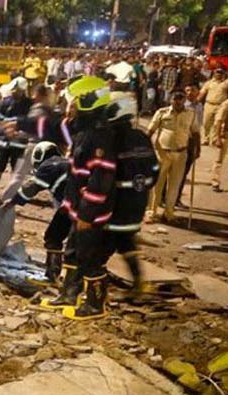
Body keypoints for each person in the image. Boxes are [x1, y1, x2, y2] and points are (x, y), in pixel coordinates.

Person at [59, 78, 158, 320]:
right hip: (137, 205)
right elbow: (155, 171)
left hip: (115, 209)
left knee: (93, 254)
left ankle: (93, 299)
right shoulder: (142, 137)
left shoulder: (110, 139)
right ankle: (137, 285)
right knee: (127, 245)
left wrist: (92, 205)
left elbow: (103, 176)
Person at [6, 141, 69, 283]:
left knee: (53, 237)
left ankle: (55, 276)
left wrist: (11, 202)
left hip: (73, 206)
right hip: (90, 206)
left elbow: (32, 187)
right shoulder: (65, 162)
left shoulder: (49, 166)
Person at [147, 90, 199, 222]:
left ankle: (169, 213)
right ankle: (151, 212)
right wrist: (145, 147)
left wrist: (197, 149)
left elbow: (195, 133)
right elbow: (150, 130)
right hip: (162, 153)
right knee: (157, 183)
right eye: (175, 98)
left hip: (181, 153)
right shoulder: (162, 112)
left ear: (184, 99)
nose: (178, 100)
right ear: (171, 99)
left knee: (174, 185)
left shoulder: (191, 114)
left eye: (180, 98)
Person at [0, 77, 32, 202]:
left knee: (15, 168)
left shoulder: (29, 104)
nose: (14, 92)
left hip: (19, 143)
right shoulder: (5, 103)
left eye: (17, 90)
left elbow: (32, 123)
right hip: (4, 141)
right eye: (13, 90)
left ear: (23, 90)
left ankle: (12, 193)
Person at [176, 85, 203, 201]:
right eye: (187, 90)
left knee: (184, 172)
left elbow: (197, 129)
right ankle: (166, 198)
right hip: (181, 141)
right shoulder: (182, 106)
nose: (190, 93)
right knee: (175, 172)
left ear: (198, 92)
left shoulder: (199, 106)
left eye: (193, 90)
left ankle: (177, 198)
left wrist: (198, 146)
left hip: (192, 141)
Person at [212, 85, 228, 192]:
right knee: (219, 160)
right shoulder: (227, 104)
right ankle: (215, 182)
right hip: (226, 134)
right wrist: (217, 137)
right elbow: (219, 121)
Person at [199, 68, 228, 146]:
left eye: (220, 73)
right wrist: (196, 101)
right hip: (209, 105)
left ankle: (215, 140)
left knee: (217, 123)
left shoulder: (226, 83)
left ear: (223, 74)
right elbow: (202, 93)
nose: (218, 74)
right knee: (206, 122)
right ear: (214, 73)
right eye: (217, 73)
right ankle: (205, 139)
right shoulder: (209, 83)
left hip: (220, 106)